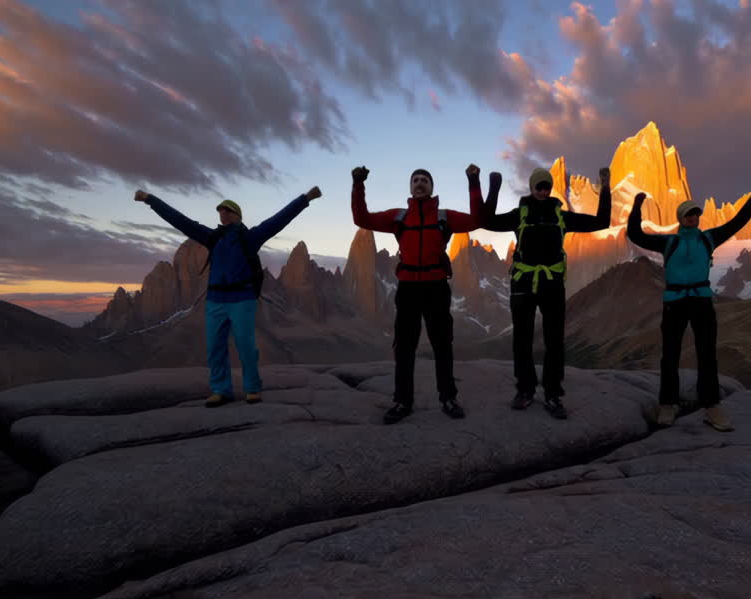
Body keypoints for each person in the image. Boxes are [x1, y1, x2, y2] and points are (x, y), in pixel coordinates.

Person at [135, 186, 321, 407]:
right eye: (220, 212)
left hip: (242, 299)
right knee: (215, 348)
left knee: (246, 346)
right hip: (215, 301)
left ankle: (252, 388)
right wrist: (150, 200)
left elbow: (279, 219)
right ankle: (221, 390)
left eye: (227, 211)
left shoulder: (251, 237)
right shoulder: (212, 237)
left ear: (237, 215)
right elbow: (180, 221)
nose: (222, 214)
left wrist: (306, 198)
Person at [627, 177, 751, 430]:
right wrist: (637, 206)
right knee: (670, 354)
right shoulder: (669, 241)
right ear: (681, 219)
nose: (693, 218)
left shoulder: (708, 239)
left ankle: (711, 407)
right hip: (675, 302)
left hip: (701, 301)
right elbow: (634, 234)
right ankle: (667, 404)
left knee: (707, 354)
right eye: (689, 215)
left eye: (696, 214)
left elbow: (738, 221)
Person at [351, 164, 485, 424]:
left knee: (442, 345)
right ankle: (402, 401)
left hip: (436, 287)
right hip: (409, 288)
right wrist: (358, 184)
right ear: (411, 188)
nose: (420, 183)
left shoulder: (444, 216)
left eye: (424, 180)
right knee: (404, 348)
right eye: (416, 180)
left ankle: (448, 397)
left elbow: (477, 220)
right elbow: (362, 219)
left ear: (432, 187)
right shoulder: (399, 216)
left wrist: (473, 181)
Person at [477, 167, 612, 419]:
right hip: (523, 284)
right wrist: (493, 188)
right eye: (538, 186)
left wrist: (605, 189)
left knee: (554, 341)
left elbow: (601, 222)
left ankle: (553, 394)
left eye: (546, 186)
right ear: (531, 188)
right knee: (522, 339)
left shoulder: (561, 216)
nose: (542, 190)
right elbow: (488, 222)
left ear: (550, 189)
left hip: (551, 285)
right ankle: (525, 390)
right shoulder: (521, 214)